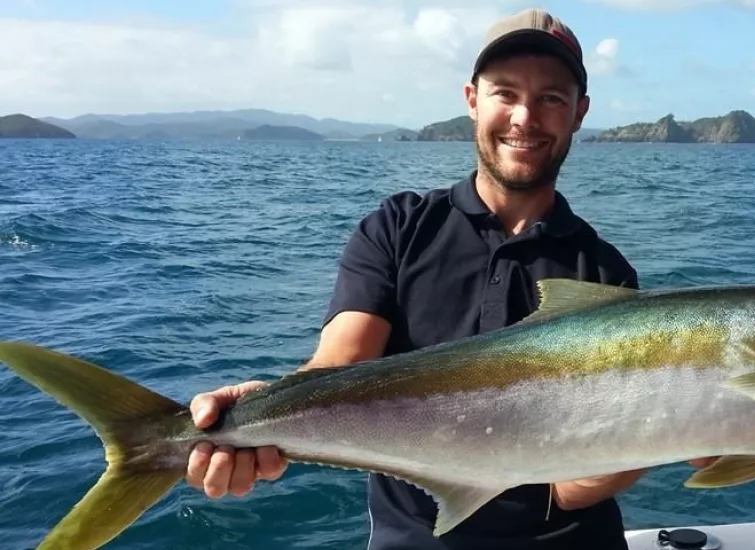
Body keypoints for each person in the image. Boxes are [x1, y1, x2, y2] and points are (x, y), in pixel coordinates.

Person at [185, 7, 717, 549]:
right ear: (472, 100)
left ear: (579, 113)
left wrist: (690, 424)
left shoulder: (603, 272)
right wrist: (262, 413)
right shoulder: (399, 227)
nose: (524, 117)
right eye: (505, 93)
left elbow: (573, 490)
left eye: (551, 98)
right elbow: (342, 364)